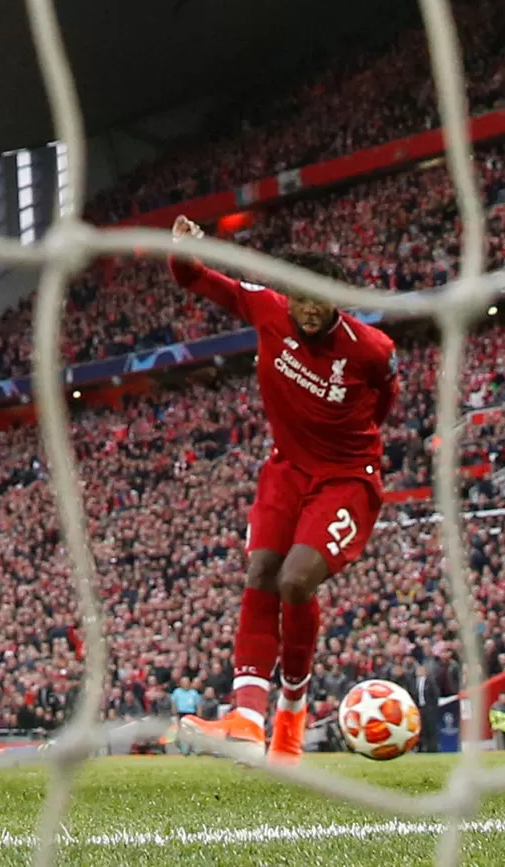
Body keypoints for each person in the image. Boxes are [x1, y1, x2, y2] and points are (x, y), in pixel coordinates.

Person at [166, 215, 397, 764]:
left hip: (346, 478)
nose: (310, 310)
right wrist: (181, 250)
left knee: (296, 580)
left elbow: (386, 401)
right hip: (287, 469)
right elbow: (196, 279)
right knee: (261, 571)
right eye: (302, 299)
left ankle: (292, 706)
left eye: (321, 301)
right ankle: (247, 717)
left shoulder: (370, 348)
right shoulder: (268, 307)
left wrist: (352, 440)